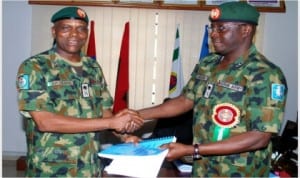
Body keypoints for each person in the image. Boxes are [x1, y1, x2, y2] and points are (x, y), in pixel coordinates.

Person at [138, 1, 288, 177]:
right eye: (212, 28)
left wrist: (191, 149)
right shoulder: (208, 63)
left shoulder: (264, 74)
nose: (213, 34)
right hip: (203, 168)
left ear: (245, 30)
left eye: (221, 28)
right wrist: (137, 115)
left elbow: (259, 137)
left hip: (239, 171)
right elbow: (184, 101)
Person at [16, 6, 143, 177]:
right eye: (66, 28)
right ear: (54, 31)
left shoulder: (92, 67)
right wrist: (111, 123)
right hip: (52, 170)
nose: (74, 34)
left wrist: (123, 136)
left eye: (81, 29)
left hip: (90, 167)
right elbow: (45, 122)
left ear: (87, 33)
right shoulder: (35, 67)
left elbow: (104, 111)